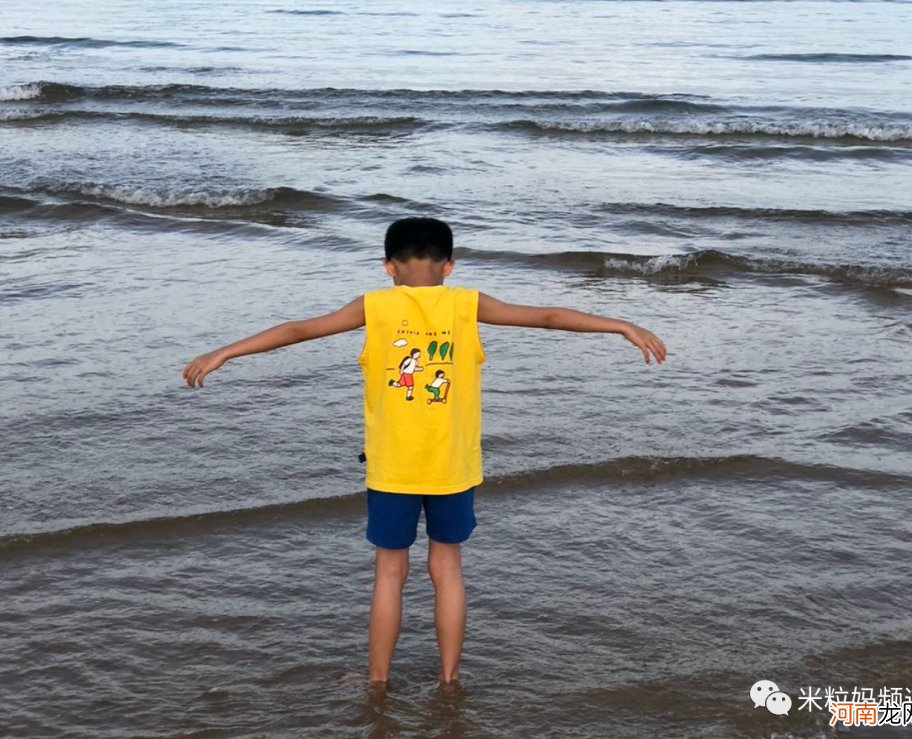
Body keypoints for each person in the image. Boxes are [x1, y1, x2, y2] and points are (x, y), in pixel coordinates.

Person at [182, 217, 666, 687]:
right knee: (447, 569)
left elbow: (297, 330)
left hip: (392, 467)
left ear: (388, 266)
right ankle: (449, 678)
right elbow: (547, 317)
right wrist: (619, 325)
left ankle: (377, 680)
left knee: (390, 574)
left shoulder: (373, 307)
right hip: (451, 467)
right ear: (449, 265)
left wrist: (224, 351)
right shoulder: (467, 305)